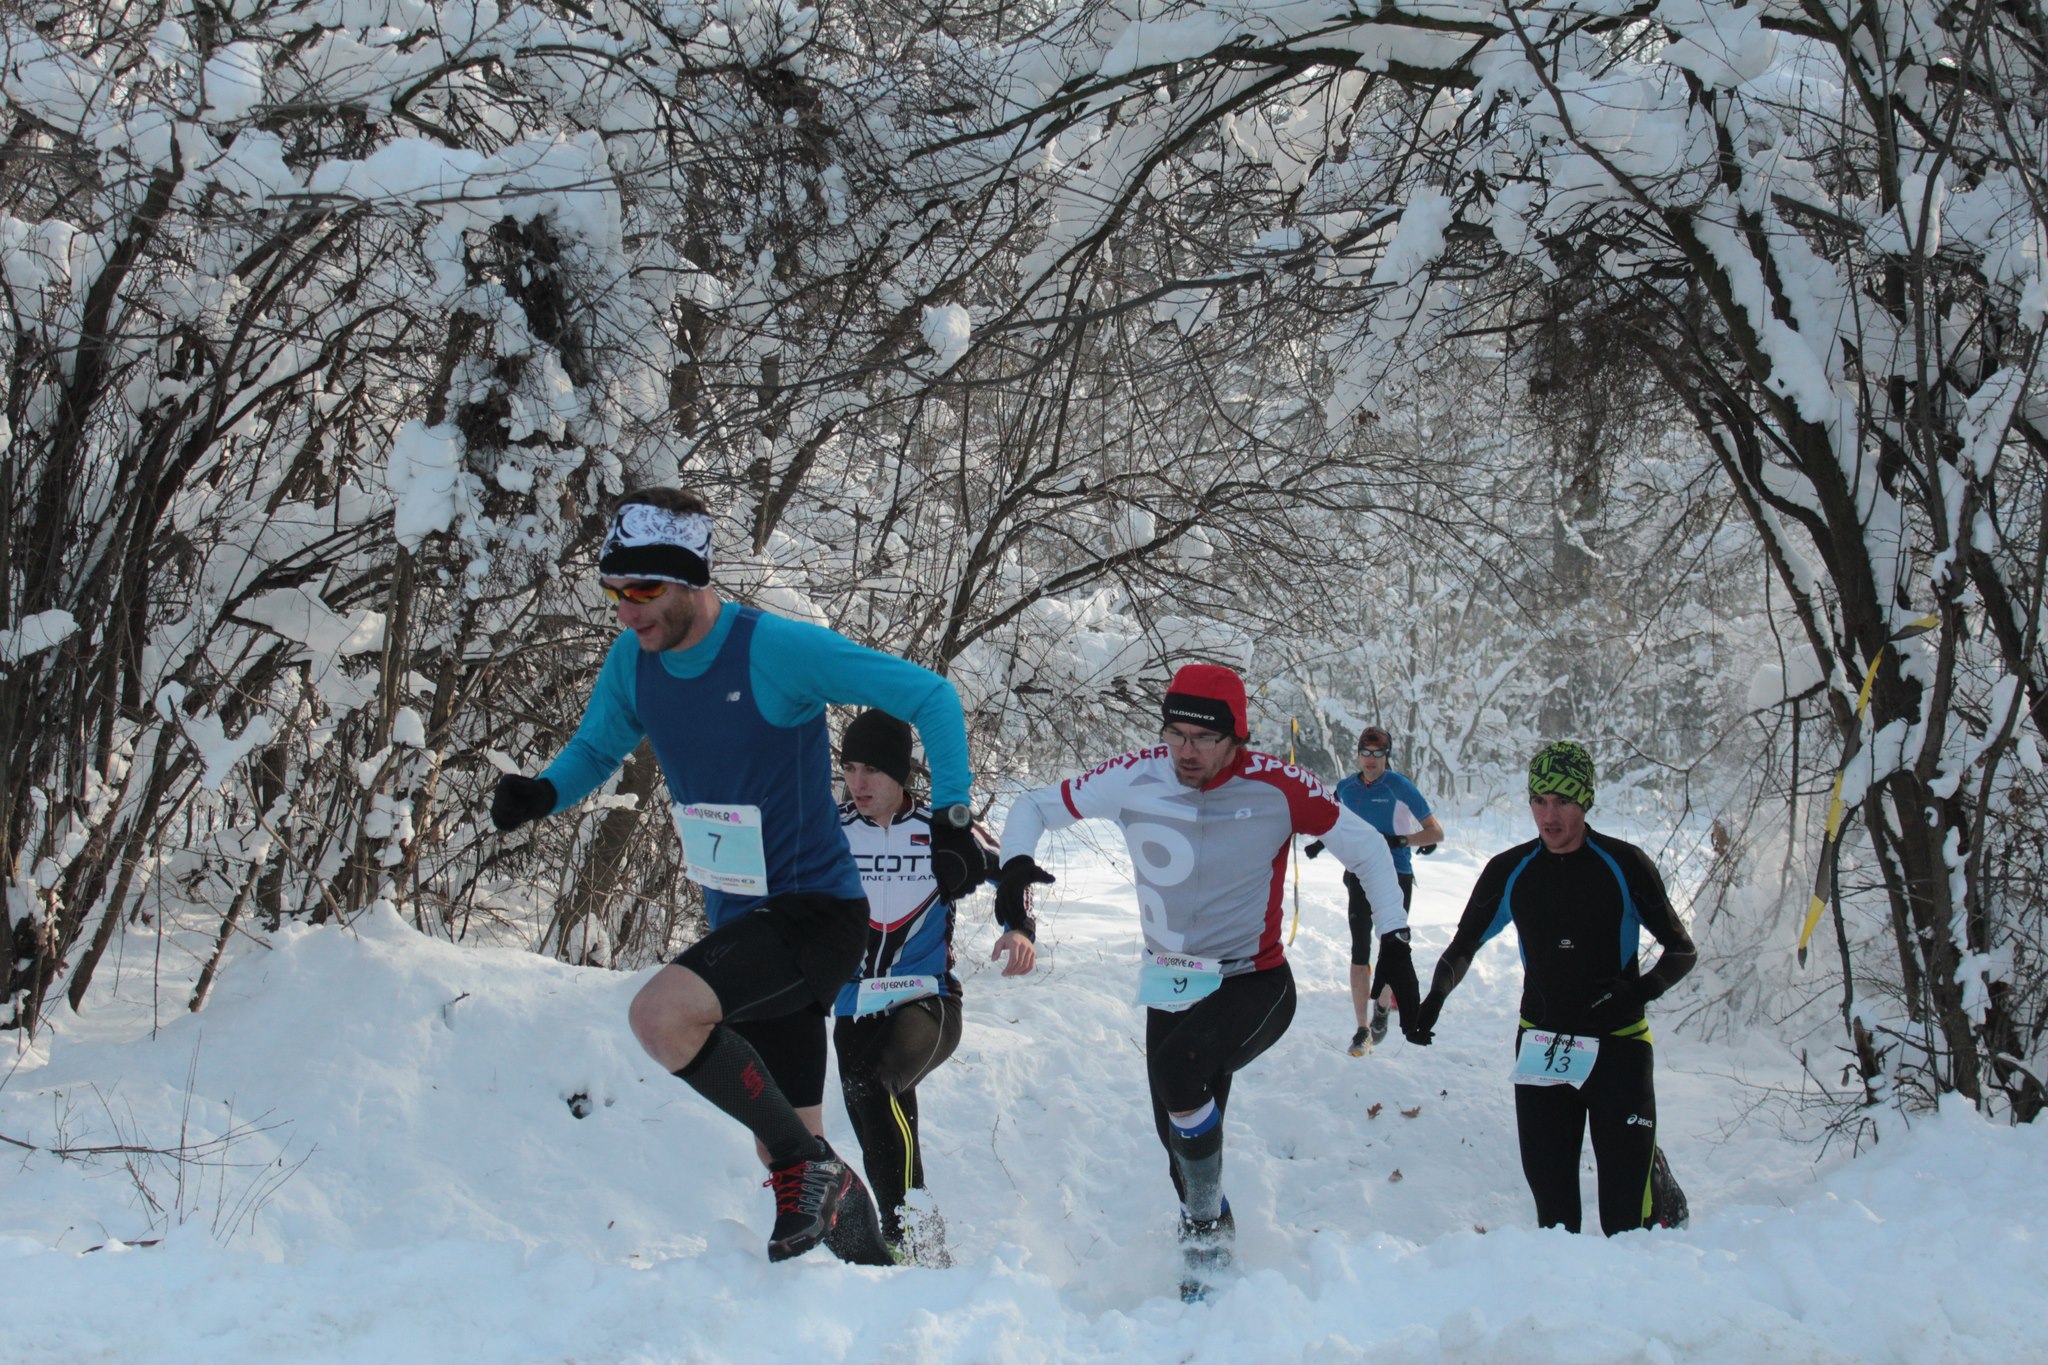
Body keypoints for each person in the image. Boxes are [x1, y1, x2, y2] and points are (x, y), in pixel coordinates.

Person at [488, 489, 987, 1265]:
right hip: (740, 921)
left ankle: (814, 1171)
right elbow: (598, 745)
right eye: (614, 592)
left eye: (645, 590)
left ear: (693, 579)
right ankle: (873, 1278)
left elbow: (932, 695)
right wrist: (544, 792)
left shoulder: (772, 650)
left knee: (662, 1017)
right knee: (783, 1141)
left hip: (816, 913)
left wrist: (952, 816)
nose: (627, 611)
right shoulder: (635, 663)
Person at [994, 663, 1420, 1297]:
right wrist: (1014, 886)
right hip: (1169, 981)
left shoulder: (1279, 784)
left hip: (1257, 983)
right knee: (1178, 1138)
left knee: (1180, 1076)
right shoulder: (1136, 775)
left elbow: (1370, 850)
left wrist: (1397, 943)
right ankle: (1211, 1227)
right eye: (1176, 734)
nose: (1186, 753)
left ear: (1236, 740)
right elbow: (1032, 806)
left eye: (1204, 739)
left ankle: (1206, 1243)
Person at [1404, 741, 1697, 1236]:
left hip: (1619, 1044)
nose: (1550, 815)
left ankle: (1657, 1183)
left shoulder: (1624, 865)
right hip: (1544, 1044)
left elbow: (1682, 950)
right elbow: (1463, 945)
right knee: (1555, 1221)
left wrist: (1639, 992)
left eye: (1562, 801)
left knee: (1627, 1223)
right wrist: (1434, 1000)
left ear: (1585, 802)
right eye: (1539, 800)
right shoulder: (1512, 870)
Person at [832, 709, 1037, 1265]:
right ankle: (913, 1241)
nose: (859, 783)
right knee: (876, 1110)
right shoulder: (833, 829)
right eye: (849, 768)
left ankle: (910, 1239)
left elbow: (1011, 869)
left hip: (928, 999)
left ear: (903, 774)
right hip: (853, 1003)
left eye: (873, 769)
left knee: (874, 1085)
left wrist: (1018, 926)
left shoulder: (941, 827)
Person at [1305, 724, 1447, 1054]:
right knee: (1359, 950)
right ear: (1357, 754)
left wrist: (1400, 841)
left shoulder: (1400, 787)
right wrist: (1319, 844)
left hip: (1396, 876)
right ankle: (1361, 1028)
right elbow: (1334, 822)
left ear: (1387, 755)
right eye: (1365, 753)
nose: (1370, 760)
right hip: (1359, 875)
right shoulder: (1346, 788)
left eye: (1377, 754)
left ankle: (1382, 1006)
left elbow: (1435, 832)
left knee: (1389, 950)